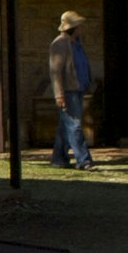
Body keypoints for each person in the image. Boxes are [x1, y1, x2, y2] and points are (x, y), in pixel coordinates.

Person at [47, 13, 98, 169]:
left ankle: (59, 158)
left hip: (78, 89)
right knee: (74, 125)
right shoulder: (60, 44)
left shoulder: (76, 44)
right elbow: (55, 71)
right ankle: (84, 160)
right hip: (68, 91)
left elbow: (82, 64)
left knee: (66, 126)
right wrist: (59, 94)